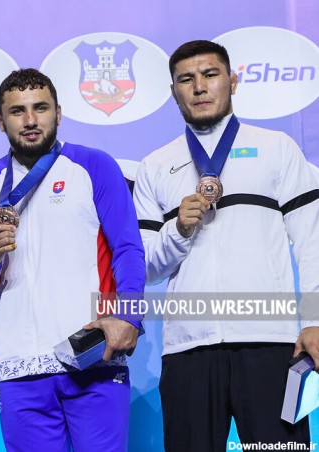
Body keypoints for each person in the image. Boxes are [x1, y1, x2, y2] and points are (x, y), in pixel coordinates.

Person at [133, 40, 319, 451]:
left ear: (232, 82)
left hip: (271, 341)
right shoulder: (155, 166)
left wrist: (313, 320)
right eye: (187, 79)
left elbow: (312, 239)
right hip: (188, 347)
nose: (199, 87)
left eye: (210, 74)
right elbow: (144, 268)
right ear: (173, 92)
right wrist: (178, 230)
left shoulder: (276, 148)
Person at [0, 68, 146, 452]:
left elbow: (129, 249)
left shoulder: (94, 166)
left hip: (92, 355)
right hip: (19, 366)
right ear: (0, 121)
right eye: (17, 111)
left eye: (41, 108)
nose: (30, 120)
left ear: (59, 113)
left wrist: (130, 317)